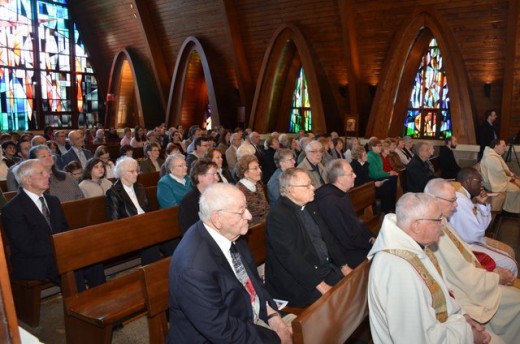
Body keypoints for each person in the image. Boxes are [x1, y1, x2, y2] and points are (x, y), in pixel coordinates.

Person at [368, 193, 500, 344]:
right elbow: (415, 339)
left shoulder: (415, 247)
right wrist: (469, 336)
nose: (444, 223)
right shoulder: (397, 270)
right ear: (416, 225)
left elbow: (444, 292)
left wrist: (465, 318)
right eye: (438, 219)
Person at [168, 183, 293, 343]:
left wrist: (274, 317)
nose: (248, 216)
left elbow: (254, 284)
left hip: (247, 319)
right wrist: (276, 338)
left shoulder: (232, 233)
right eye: (241, 212)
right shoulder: (194, 268)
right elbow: (223, 331)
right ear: (217, 219)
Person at [424, 178, 520, 344]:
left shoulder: (441, 221)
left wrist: (491, 273)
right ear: (435, 200)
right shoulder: (432, 230)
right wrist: (495, 277)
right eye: (452, 201)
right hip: (464, 293)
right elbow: (461, 273)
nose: (456, 205)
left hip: (473, 281)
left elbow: (464, 259)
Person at [265, 168, 351, 307]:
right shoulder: (279, 216)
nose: (313, 188)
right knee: (340, 304)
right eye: (307, 185)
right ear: (292, 190)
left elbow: (327, 237)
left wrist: (343, 265)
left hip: (322, 268)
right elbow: (291, 257)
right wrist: (321, 286)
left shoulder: (309, 205)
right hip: (297, 280)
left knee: (354, 287)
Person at [2, 160, 67, 284]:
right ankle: (78, 301)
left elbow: (64, 229)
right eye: (41, 173)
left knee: (92, 263)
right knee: (73, 269)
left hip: (57, 254)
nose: (48, 175)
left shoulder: (53, 201)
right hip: (33, 260)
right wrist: (58, 251)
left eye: (47, 172)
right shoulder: (12, 209)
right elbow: (26, 245)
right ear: (27, 180)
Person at [450, 167, 518, 275]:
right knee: (511, 264)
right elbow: (476, 233)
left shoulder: (465, 198)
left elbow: (482, 226)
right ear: (468, 181)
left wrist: (482, 205)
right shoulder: (460, 202)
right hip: (468, 246)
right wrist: (480, 228)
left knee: (509, 256)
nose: (481, 185)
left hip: (474, 240)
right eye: (479, 181)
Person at [314, 159, 375, 268]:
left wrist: (369, 235)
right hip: (342, 252)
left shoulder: (341, 193)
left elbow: (353, 222)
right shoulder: (329, 201)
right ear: (340, 179)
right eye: (351, 173)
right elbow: (342, 237)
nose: (355, 176)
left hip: (352, 242)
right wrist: (368, 243)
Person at [106, 157, 166, 264]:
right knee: (150, 243)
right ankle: (153, 275)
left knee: (170, 238)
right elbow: (114, 220)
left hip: (146, 224)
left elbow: (148, 210)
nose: (136, 174)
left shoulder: (140, 187)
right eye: (132, 171)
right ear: (122, 173)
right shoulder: (113, 192)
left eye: (137, 171)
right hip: (130, 228)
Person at [178, 159, 219, 233]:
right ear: (200, 177)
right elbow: (190, 232)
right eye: (214, 174)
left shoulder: (219, 195)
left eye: (217, 174)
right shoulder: (188, 202)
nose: (217, 178)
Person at [480, 139, 520, 214]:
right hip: (492, 183)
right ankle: (509, 209)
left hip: (496, 179)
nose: (505, 148)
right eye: (503, 146)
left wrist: (511, 175)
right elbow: (498, 175)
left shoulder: (494, 155)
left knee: (518, 182)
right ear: (496, 146)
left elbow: (501, 171)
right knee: (517, 189)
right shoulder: (491, 158)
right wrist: (510, 178)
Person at [236, 155, 269, 226]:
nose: (260, 171)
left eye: (259, 167)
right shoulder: (238, 192)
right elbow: (244, 219)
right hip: (253, 230)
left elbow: (266, 208)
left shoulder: (258, 185)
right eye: (255, 168)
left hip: (266, 224)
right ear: (245, 173)